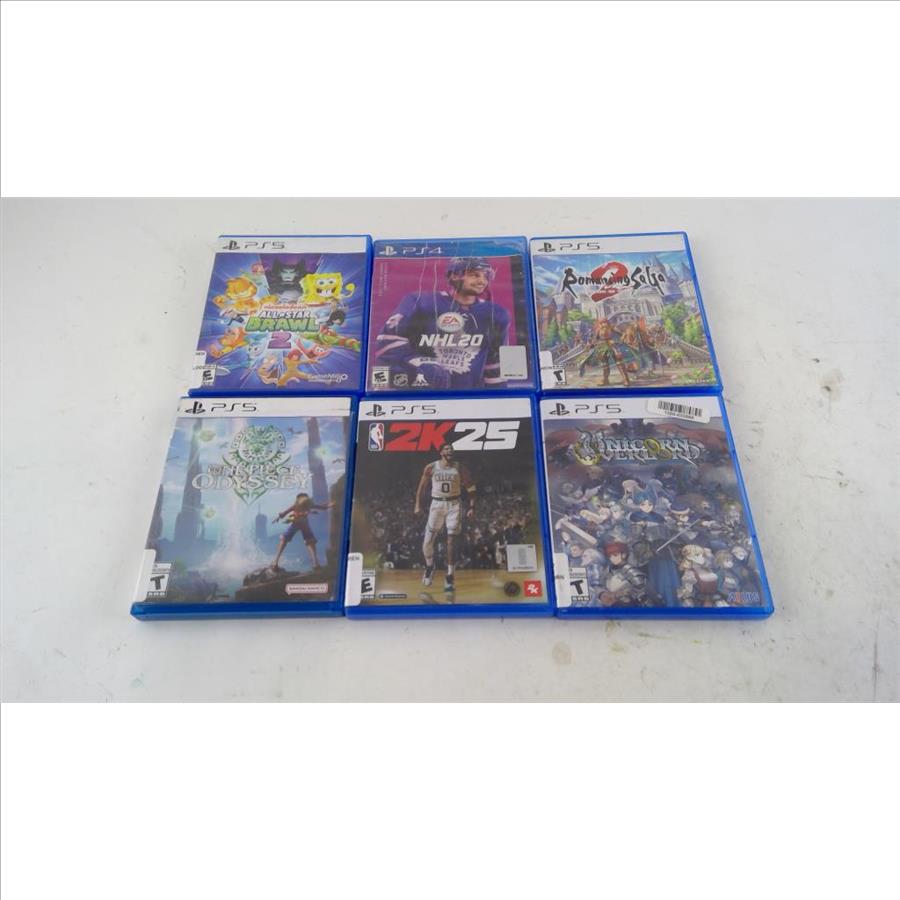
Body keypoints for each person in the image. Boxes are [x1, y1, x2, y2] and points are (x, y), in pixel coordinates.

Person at [374, 257, 511, 389]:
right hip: (421, 392)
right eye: (474, 275)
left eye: (486, 276)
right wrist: (420, 364)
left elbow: (495, 363)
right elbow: (386, 341)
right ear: (455, 275)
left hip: (468, 397)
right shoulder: (420, 301)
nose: (482, 281)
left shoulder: (496, 313)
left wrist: (499, 396)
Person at [414, 443, 475, 592]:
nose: (449, 451)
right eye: (446, 449)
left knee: (451, 540)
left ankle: (450, 576)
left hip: (454, 504)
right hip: (436, 504)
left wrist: (472, 506)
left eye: (451, 449)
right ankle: (430, 566)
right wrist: (417, 504)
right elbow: (422, 487)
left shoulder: (460, 468)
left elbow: (471, 487)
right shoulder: (431, 467)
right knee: (428, 541)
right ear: (441, 452)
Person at [272, 493, 334, 570]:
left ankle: (315, 563)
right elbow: (322, 507)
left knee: (307, 542)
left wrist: (329, 505)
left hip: (299, 524)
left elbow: (322, 507)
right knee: (308, 542)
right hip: (300, 524)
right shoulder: (300, 505)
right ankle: (315, 563)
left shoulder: (303, 505)